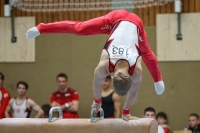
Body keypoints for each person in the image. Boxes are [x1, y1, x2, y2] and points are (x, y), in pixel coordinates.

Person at [26, 9, 165, 121]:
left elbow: (98, 84)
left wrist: (99, 101)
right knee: (79, 29)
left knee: (147, 53)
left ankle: (158, 80)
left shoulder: (119, 66)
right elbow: (128, 90)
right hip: (117, 20)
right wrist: (103, 103)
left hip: (133, 25)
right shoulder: (116, 65)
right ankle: (41, 28)